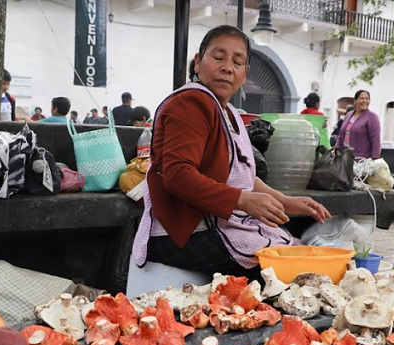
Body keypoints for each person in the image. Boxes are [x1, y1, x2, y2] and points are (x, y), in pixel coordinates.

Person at [131, 25, 330, 279]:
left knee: (297, 254)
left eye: (238, 62)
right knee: (286, 273)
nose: (227, 67)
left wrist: (286, 202)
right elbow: (178, 175)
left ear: (244, 74)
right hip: (185, 232)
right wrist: (243, 201)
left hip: (225, 223)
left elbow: (242, 176)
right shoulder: (190, 103)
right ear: (198, 63)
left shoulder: (230, 113)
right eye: (218, 57)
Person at [336, 90, 381, 159]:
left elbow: (376, 141)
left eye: (367, 99)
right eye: (362, 98)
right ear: (355, 101)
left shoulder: (372, 117)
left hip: (361, 161)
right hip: (344, 159)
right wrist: (336, 150)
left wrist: (374, 159)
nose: (365, 101)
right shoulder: (349, 115)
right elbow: (341, 136)